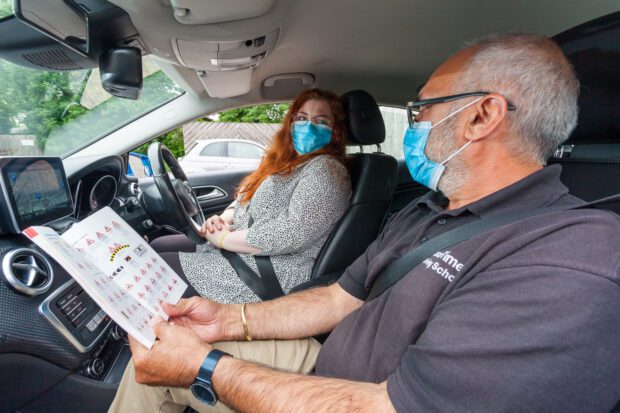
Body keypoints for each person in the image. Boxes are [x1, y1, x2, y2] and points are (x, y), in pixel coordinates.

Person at [110, 34, 620, 413]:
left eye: (421, 109)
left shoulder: (571, 257)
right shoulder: (429, 209)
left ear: (482, 117)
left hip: (367, 397)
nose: (414, 124)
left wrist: (205, 367)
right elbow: (337, 299)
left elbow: (390, 408)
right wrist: (228, 321)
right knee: (151, 362)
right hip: (325, 361)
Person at [151, 88, 352, 303]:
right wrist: (222, 219)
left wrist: (224, 239)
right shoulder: (287, 162)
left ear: (336, 131)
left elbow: (291, 233)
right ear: (291, 122)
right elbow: (244, 198)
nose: (309, 126)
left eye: (321, 121)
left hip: (276, 270)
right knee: (159, 246)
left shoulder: (327, 171)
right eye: (302, 118)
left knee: (157, 269)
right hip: (249, 252)